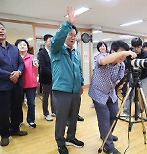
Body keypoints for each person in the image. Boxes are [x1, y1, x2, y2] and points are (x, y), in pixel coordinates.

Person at [88, 40, 137, 154]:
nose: (123, 56)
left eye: (125, 54)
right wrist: (124, 53)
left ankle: (106, 134)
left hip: (111, 93)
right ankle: (108, 146)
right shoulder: (103, 56)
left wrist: (121, 82)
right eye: (121, 53)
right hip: (98, 93)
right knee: (104, 118)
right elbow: (103, 61)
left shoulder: (121, 64)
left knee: (115, 114)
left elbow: (119, 78)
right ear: (113, 51)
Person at [50, 7, 84, 154]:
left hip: (75, 91)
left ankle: (71, 137)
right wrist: (68, 24)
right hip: (62, 91)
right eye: (70, 34)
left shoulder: (76, 53)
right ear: (65, 35)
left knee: (73, 117)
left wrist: (81, 83)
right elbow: (56, 39)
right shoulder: (56, 49)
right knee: (62, 119)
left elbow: (79, 70)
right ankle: (60, 142)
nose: (72, 37)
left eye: (74, 35)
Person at [0, 22, 27, 146]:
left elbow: (21, 63)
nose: (1, 31)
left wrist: (19, 72)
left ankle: (15, 129)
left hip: (17, 84)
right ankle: (5, 134)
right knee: (4, 111)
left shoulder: (14, 48)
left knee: (17, 108)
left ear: (6, 31)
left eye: (2, 28)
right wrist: (10, 75)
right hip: (3, 86)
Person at [122, 37, 147, 117]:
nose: (136, 49)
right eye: (134, 47)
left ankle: (138, 112)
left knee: (141, 96)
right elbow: (127, 65)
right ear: (132, 46)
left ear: (141, 46)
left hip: (143, 77)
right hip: (132, 76)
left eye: (138, 47)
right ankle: (126, 112)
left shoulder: (146, 54)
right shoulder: (129, 54)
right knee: (129, 95)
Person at [15, 39, 39, 128]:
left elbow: (36, 63)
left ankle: (31, 120)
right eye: (20, 45)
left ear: (27, 47)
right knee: (18, 103)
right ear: (16, 47)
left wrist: (36, 64)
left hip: (31, 84)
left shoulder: (32, 57)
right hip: (18, 84)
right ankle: (19, 120)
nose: (22, 46)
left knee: (31, 103)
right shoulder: (15, 57)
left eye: (24, 45)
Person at [38, 34, 55, 121]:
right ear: (45, 42)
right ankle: (46, 113)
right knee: (46, 96)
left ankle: (54, 111)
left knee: (54, 96)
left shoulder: (54, 52)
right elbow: (43, 68)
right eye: (50, 41)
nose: (51, 42)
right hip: (45, 79)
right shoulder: (41, 53)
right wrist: (54, 75)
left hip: (55, 79)